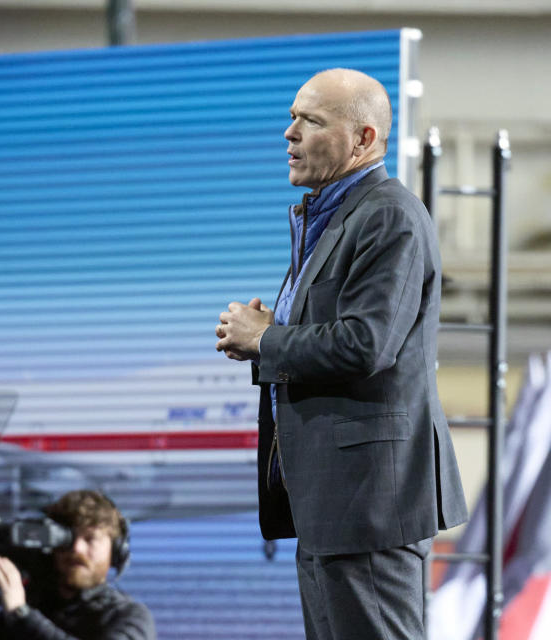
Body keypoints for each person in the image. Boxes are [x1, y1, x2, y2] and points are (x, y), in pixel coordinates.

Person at [214, 68, 468, 640]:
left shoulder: (389, 215)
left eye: (310, 120)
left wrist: (265, 339)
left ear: (364, 140)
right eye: (291, 118)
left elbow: (366, 343)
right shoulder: (326, 217)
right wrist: (259, 338)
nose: (290, 133)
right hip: (330, 502)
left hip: (370, 505)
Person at [0, 490, 156, 640]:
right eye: (67, 538)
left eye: (90, 539)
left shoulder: (129, 617)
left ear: (115, 551)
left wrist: (22, 615)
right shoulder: (33, 606)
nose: (77, 549)